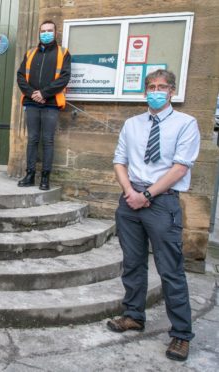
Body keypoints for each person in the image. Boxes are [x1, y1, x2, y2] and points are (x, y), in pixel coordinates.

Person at [108, 69, 199, 362]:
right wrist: (130, 193)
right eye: (151, 86)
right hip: (130, 199)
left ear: (172, 91)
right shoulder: (132, 124)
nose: (155, 91)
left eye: (161, 87)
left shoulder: (186, 124)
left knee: (170, 269)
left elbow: (180, 167)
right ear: (144, 90)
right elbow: (119, 160)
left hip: (162, 202)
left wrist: (147, 195)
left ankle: (181, 335)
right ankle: (134, 315)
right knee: (132, 263)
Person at [16, 20, 71, 190]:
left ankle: (45, 177)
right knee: (32, 139)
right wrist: (33, 93)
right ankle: (30, 174)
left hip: (51, 103)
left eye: (49, 30)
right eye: (43, 30)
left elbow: (64, 77)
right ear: (39, 33)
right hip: (31, 102)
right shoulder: (30, 53)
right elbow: (20, 76)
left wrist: (44, 93)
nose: (45, 33)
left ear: (55, 33)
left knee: (47, 140)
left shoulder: (63, 53)